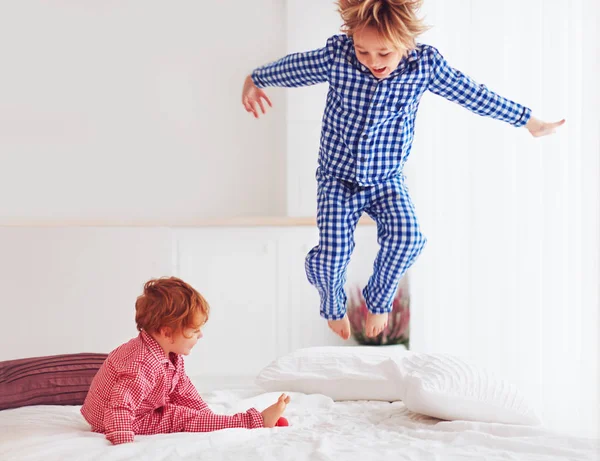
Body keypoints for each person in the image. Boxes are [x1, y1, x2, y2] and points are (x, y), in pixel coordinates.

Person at [241, 0, 564, 340]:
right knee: (333, 254)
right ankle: (332, 304)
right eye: (363, 51)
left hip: (386, 180)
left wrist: (528, 120)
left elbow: (473, 94)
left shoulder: (424, 66)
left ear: (405, 42)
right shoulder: (338, 56)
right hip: (337, 178)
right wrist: (256, 78)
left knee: (408, 238)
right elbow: (295, 68)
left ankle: (379, 301)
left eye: (383, 54)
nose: (372, 62)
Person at [81, 276, 290, 445]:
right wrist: (123, 443)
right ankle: (255, 421)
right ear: (167, 333)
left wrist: (209, 419)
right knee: (177, 416)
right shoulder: (142, 363)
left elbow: (183, 389)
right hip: (113, 419)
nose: (200, 336)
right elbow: (120, 407)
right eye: (194, 331)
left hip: (139, 405)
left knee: (187, 410)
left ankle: (230, 422)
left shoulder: (169, 353)